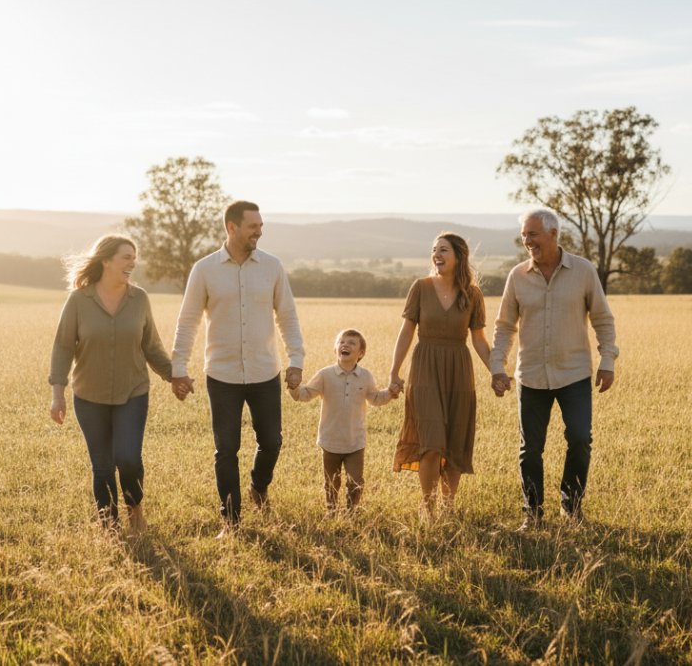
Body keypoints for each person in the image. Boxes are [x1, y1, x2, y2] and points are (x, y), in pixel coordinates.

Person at [170, 200, 305, 537]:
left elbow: (286, 315)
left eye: (260, 225)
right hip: (223, 375)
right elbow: (187, 321)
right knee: (226, 448)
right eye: (253, 226)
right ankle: (230, 521)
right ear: (232, 228)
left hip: (264, 372)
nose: (259, 231)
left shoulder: (272, 267)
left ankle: (259, 489)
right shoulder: (204, 269)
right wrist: (178, 367)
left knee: (272, 441)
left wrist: (296, 360)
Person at [490, 209, 618, 528]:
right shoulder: (517, 276)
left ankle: (570, 508)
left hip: (574, 373)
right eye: (524, 234)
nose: (526, 240)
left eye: (532, 234)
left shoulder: (583, 271)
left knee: (579, 439)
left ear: (553, 234)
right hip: (531, 376)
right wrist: (497, 366)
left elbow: (602, 319)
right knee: (530, 449)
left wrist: (607, 360)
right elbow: (505, 325)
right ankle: (532, 515)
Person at [49, 234, 172, 534]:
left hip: (133, 393)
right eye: (126, 257)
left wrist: (174, 376)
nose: (133, 262)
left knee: (128, 458)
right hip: (90, 396)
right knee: (102, 465)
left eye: (134, 256)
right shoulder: (79, 300)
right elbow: (63, 346)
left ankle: (136, 511)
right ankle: (108, 525)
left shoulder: (139, 299)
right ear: (106, 261)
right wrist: (57, 394)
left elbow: (151, 345)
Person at [389, 232, 493, 520]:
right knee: (431, 442)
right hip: (425, 368)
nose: (437, 254)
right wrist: (394, 371)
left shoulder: (472, 294)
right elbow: (406, 331)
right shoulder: (420, 288)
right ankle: (428, 506)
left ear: (459, 256)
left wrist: (497, 371)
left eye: (444, 250)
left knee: (455, 440)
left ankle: (448, 507)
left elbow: (480, 340)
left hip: (459, 370)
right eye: (434, 249)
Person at [289, 329, 398, 514]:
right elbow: (305, 394)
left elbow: (375, 398)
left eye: (352, 343)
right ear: (335, 349)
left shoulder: (366, 376)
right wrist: (293, 386)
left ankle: (351, 513)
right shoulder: (325, 375)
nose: (345, 345)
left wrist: (390, 393)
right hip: (330, 440)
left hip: (355, 440)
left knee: (355, 481)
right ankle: (331, 511)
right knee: (331, 482)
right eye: (341, 342)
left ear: (360, 353)